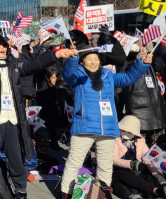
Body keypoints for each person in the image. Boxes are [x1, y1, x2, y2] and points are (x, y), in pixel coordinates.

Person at [0, 32, 75, 199]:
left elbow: (34, 64)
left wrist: (56, 54)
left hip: (13, 121)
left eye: (4, 45)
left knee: (17, 160)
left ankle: (21, 192)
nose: (2, 48)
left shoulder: (13, 65)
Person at [59, 43, 152, 199]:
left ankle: (100, 193)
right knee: (74, 161)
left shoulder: (108, 76)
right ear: (82, 62)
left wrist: (142, 64)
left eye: (96, 59)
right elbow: (68, 74)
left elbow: (129, 77)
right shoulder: (78, 76)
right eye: (89, 59)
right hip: (85, 126)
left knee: (105, 164)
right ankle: (66, 194)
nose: (93, 62)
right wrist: (72, 59)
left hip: (108, 128)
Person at [120, 43, 166, 145]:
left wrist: (154, 49)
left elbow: (159, 65)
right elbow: (123, 75)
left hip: (155, 109)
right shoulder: (127, 64)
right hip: (138, 110)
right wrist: (137, 60)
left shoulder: (150, 65)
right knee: (139, 144)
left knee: (156, 144)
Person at [111, 115, 166, 198]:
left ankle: (155, 194)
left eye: (130, 132)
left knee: (150, 175)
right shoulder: (114, 139)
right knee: (121, 178)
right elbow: (114, 160)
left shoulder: (140, 141)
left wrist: (158, 176)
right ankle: (153, 191)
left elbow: (149, 159)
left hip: (136, 172)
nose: (126, 133)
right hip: (118, 171)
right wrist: (132, 164)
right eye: (123, 130)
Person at [36, 68, 69, 150]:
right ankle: (53, 141)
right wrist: (57, 108)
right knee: (52, 117)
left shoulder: (62, 88)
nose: (56, 79)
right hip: (49, 114)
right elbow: (43, 107)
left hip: (62, 112)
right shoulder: (42, 90)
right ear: (48, 79)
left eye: (57, 77)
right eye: (53, 77)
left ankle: (70, 139)